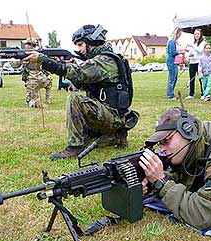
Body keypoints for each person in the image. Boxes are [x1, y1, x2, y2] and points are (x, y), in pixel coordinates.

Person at [23, 24, 139, 160]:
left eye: (80, 44)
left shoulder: (105, 61)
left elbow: (78, 73)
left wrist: (44, 60)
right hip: (110, 115)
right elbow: (84, 82)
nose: (79, 49)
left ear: (91, 42)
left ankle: (74, 148)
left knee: (75, 99)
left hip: (114, 116)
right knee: (88, 140)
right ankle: (114, 137)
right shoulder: (102, 59)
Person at [21, 38, 53, 108]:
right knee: (48, 82)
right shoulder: (26, 53)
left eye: (27, 44)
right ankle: (43, 99)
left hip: (35, 76)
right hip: (38, 76)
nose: (25, 46)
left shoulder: (37, 54)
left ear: (31, 45)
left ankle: (40, 100)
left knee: (48, 83)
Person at [184, 29, 206, 100]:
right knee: (191, 79)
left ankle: (203, 93)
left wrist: (192, 46)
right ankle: (191, 94)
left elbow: (200, 50)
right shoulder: (193, 43)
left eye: (198, 34)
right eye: (195, 34)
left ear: (201, 35)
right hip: (192, 62)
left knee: (201, 78)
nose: (196, 35)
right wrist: (189, 54)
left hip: (199, 62)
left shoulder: (203, 43)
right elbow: (190, 53)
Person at [166, 27, 185, 100]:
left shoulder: (175, 42)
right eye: (179, 34)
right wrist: (181, 52)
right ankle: (170, 95)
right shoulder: (171, 42)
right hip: (171, 62)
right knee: (172, 78)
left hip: (174, 62)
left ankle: (171, 93)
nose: (179, 36)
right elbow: (172, 53)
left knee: (175, 78)